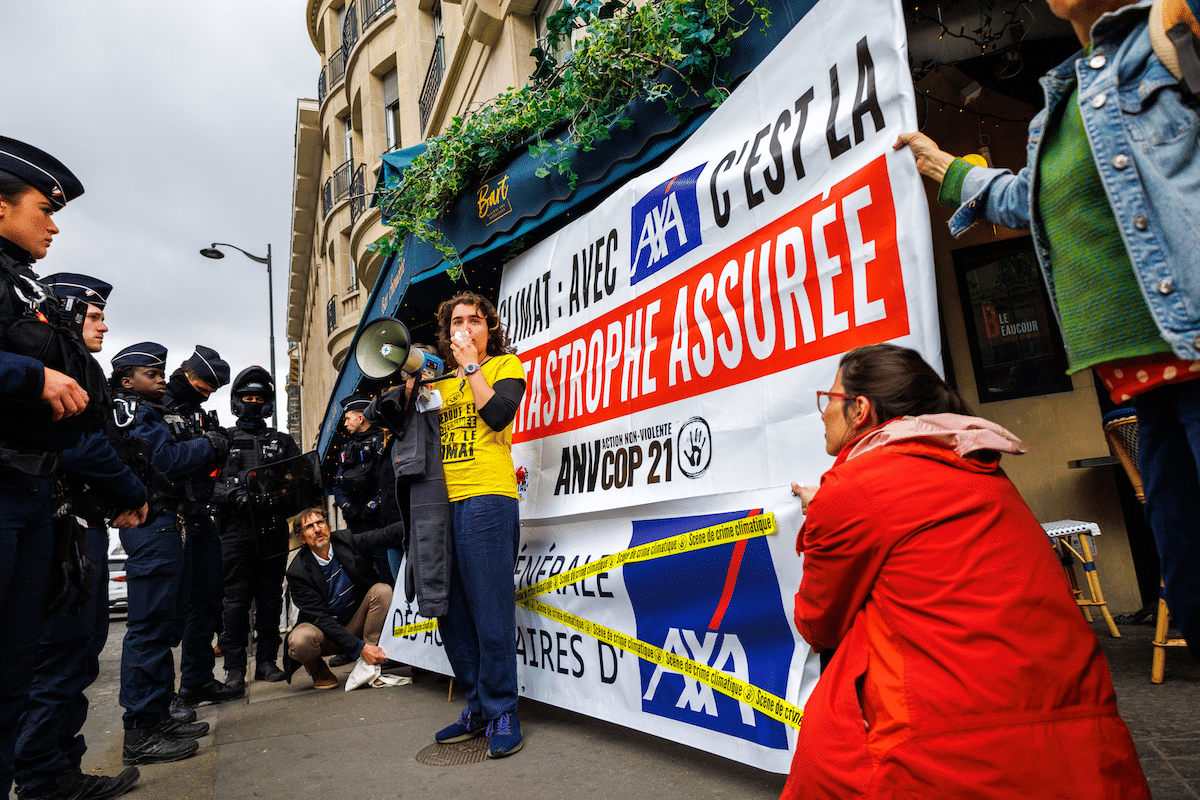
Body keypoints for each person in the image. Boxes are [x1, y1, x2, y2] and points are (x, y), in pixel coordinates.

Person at [894, 0, 1200, 663]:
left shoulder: (1174, 31)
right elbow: (1029, 200)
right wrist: (942, 165)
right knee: (1196, 599)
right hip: (1148, 393)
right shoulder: (1067, 97)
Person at [781, 343, 1149, 799]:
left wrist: (820, 518)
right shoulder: (980, 466)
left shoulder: (853, 487)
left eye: (828, 399)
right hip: (1084, 738)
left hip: (946, 746)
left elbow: (820, 625)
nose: (822, 414)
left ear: (860, 409)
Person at [14, 274, 148, 800]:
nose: (104, 325)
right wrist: (133, 493)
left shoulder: (80, 369)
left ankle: (57, 766)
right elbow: (85, 448)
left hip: (80, 518)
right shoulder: (63, 369)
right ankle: (44, 776)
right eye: (94, 316)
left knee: (78, 652)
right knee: (61, 654)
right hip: (61, 520)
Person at [0, 137, 95, 798]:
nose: (53, 224)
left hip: (34, 490)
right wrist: (29, 375)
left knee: (12, 677)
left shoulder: (24, 285)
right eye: (43, 208)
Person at [110, 343, 229, 766]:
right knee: (150, 626)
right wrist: (210, 447)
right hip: (153, 520)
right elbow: (163, 458)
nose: (160, 377)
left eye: (162, 370)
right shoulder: (133, 409)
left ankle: (157, 715)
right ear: (127, 380)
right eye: (151, 372)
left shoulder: (153, 408)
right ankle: (142, 728)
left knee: (167, 623)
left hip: (172, 520)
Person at [429, 291, 527, 759]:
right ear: (446, 333)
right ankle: (478, 707)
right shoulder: (435, 384)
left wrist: (472, 368)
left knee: (491, 609)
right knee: (452, 612)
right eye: (456, 323)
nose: (464, 329)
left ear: (489, 329)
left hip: (487, 497)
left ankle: (505, 708)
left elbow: (497, 414)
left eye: (474, 321)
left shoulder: (505, 367)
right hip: (437, 506)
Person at [212, 366, 300, 692]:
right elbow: (206, 486)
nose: (253, 402)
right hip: (234, 532)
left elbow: (297, 482)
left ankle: (266, 662)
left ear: (268, 404)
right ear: (237, 401)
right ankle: (234, 669)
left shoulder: (283, 442)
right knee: (234, 603)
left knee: (269, 600)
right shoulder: (222, 440)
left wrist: (283, 497)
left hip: (272, 530)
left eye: (259, 398)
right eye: (248, 397)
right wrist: (232, 496)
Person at [164, 347, 241, 711]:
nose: (207, 392)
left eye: (212, 389)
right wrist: (207, 445)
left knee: (209, 601)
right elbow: (165, 461)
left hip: (200, 515)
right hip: (170, 518)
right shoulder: (158, 403)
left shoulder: (196, 414)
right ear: (187, 373)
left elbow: (211, 468)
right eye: (203, 384)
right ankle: (162, 702)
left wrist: (218, 447)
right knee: (168, 611)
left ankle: (196, 681)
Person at [283, 508, 402, 690]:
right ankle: (318, 670)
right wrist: (358, 646)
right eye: (309, 527)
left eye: (320, 522)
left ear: (328, 526)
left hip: (357, 622)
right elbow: (321, 620)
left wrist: (415, 519)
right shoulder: (297, 572)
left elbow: (382, 535)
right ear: (301, 538)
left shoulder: (345, 541)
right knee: (300, 641)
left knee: (382, 591)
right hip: (326, 634)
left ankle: (369, 661)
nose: (317, 529)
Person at [333, 393, 398, 585]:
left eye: (347, 418)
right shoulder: (347, 448)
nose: (345, 423)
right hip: (355, 525)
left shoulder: (384, 441)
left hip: (379, 523)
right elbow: (338, 484)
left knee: (387, 577)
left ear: (360, 418)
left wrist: (374, 505)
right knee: (361, 578)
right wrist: (347, 506)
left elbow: (389, 480)